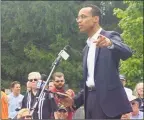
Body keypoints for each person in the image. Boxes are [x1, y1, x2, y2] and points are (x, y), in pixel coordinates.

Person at [60, 4, 133, 119]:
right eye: (78, 18)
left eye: (83, 17)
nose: (79, 21)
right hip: (90, 103)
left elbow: (127, 52)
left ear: (95, 19)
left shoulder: (110, 36)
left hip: (109, 104)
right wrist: (74, 101)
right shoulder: (86, 48)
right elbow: (91, 82)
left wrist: (110, 43)